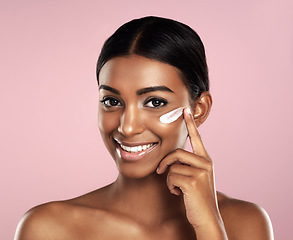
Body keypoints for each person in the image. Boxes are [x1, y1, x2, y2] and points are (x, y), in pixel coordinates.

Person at [15, 16, 274, 240]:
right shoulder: (48, 228)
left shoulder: (245, 224)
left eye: (155, 102)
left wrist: (208, 225)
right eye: (112, 101)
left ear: (199, 109)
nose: (127, 127)